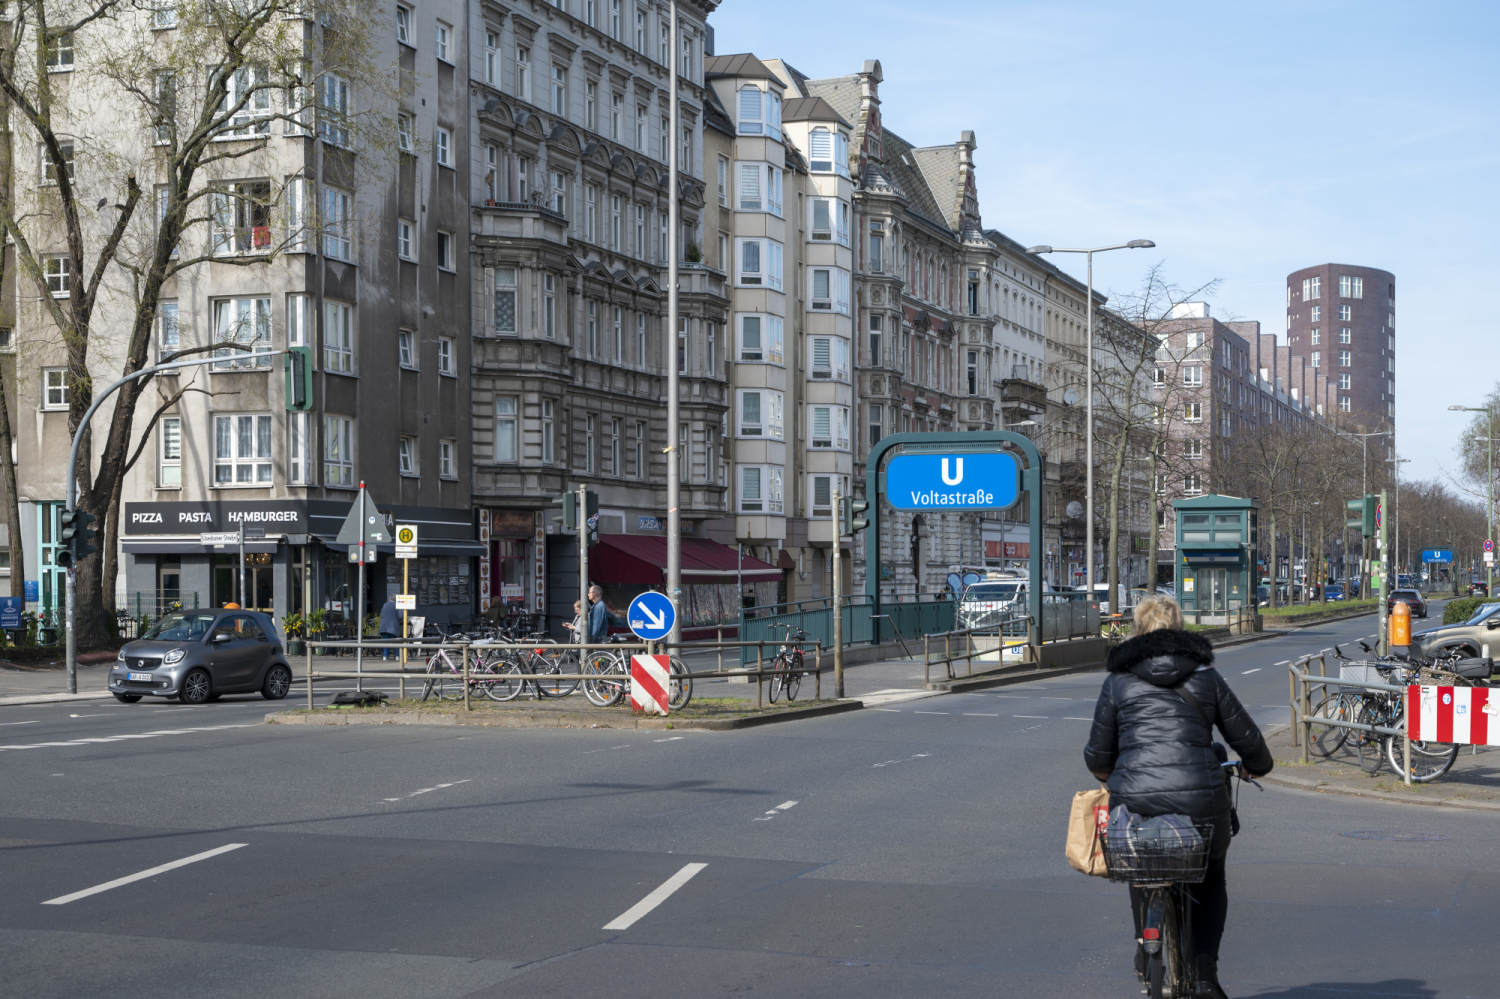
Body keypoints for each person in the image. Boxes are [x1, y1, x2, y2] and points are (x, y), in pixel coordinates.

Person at [1083, 595, 1273, 999]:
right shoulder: (1205, 678)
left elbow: (1098, 755)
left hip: (1135, 800)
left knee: (1140, 858)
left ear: (1136, 631)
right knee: (1210, 872)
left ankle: (1142, 948)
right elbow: (1250, 742)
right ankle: (1205, 975)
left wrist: (1114, 776)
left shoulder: (1117, 681)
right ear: (1181, 629)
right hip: (1199, 803)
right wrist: (1254, 764)